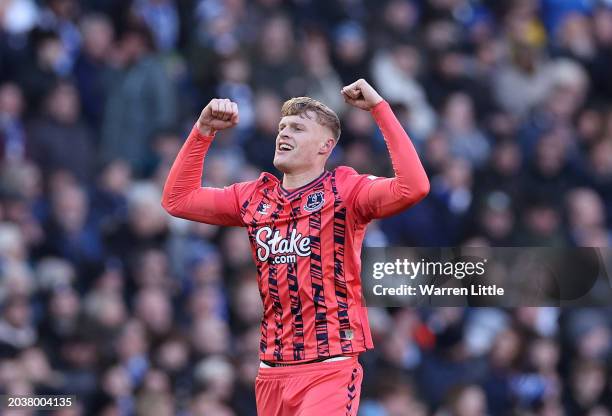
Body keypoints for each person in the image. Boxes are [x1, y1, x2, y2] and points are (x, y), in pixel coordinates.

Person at [162, 79, 429, 415]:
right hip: (272, 370)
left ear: (325, 146)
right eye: (282, 127)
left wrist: (379, 109)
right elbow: (177, 199)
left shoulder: (346, 191)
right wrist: (202, 131)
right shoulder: (254, 197)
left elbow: (413, 187)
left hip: (329, 367)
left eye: (298, 128)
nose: (284, 134)